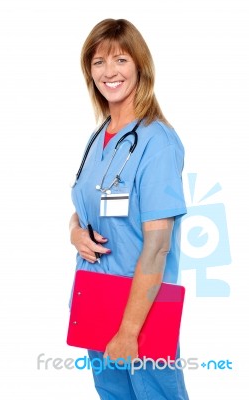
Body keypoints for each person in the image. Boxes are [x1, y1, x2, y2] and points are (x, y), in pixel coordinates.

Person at [69, 18, 189, 400]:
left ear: (140, 66)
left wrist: (129, 331)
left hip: (143, 310)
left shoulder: (157, 143)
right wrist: (74, 231)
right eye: (99, 62)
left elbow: (158, 246)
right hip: (95, 299)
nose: (110, 72)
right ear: (89, 71)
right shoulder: (99, 135)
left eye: (120, 59)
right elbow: (85, 207)